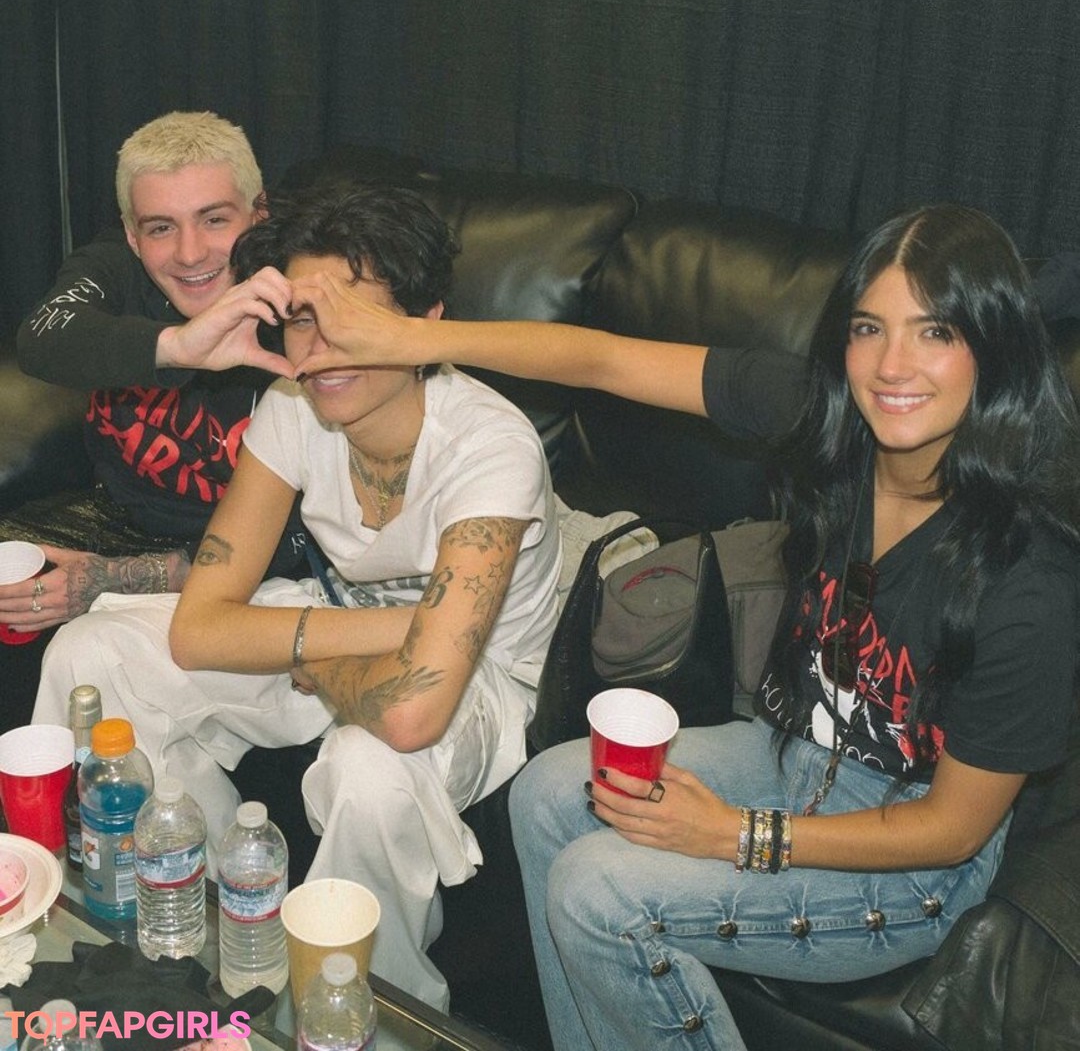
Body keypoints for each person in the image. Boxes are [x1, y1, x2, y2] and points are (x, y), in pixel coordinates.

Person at [280, 203, 1080, 1049]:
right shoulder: (829, 417)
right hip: (799, 753)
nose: (892, 365)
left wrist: (735, 834)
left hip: (919, 863)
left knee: (599, 894)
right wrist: (411, 339)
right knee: (551, 792)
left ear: (992, 347)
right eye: (869, 327)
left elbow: (954, 828)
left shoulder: (1032, 572)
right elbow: (601, 357)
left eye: (936, 332)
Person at [34, 177, 562, 1012]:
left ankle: (361, 1004)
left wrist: (330, 654)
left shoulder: (492, 447)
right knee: (92, 649)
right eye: (305, 318)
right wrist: (400, 628)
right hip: (348, 623)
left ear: (427, 322)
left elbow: (411, 715)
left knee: (369, 767)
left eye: (354, 317)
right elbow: (200, 627)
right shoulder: (293, 403)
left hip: (483, 678)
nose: (322, 349)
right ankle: (191, 936)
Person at [0, 111, 301, 733]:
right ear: (133, 237)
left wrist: (109, 581)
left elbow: (321, 537)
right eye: (161, 227)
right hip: (118, 519)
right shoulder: (115, 265)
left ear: (259, 214)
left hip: (257, 564)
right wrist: (178, 347)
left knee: (88, 650)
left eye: (215, 219)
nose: (189, 253)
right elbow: (41, 338)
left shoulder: (301, 294)